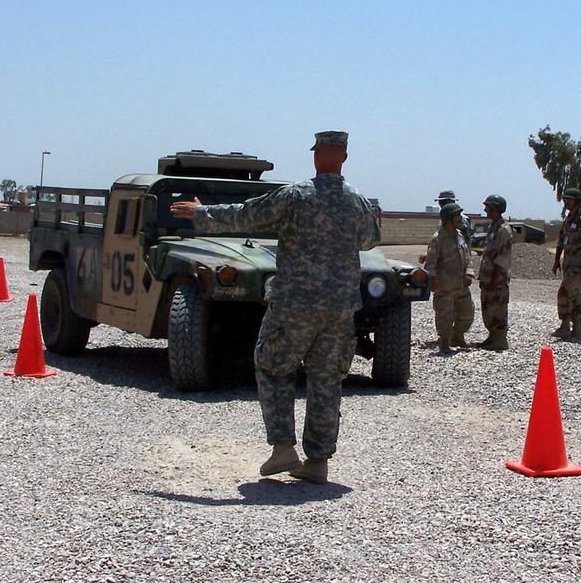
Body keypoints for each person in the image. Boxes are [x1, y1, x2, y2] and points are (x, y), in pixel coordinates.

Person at [170, 131, 380, 484]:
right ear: (344, 157)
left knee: (272, 367)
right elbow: (371, 238)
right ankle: (317, 462)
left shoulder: (296, 196)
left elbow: (246, 216)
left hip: (294, 304)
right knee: (326, 380)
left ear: (317, 156)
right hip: (340, 308)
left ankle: (283, 447)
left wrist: (201, 213)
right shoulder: (357, 201)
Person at [424, 202, 475, 354]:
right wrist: (432, 281)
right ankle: (444, 342)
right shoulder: (438, 239)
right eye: (457, 216)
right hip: (445, 286)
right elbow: (430, 263)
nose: (460, 218)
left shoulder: (459, 236)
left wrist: (469, 272)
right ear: (448, 219)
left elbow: (466, 256)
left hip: (461, 285)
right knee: (444, 316)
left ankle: (457, 337)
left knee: (467, 313)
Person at [551, 187, 581, 342]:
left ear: (576, 201)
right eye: (565, 199)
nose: (566, 202)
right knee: (575, 296)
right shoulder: (568, 220)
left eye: (569, 200)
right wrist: (556, 260)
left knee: (564, 292)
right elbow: (560, 241)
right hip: (568, 264)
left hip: (579, 265)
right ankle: (576, 331)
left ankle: (565, 326)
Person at [477, 194, 514, 351]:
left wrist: (493, 279)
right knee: (488, 308)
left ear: (496, 209)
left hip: (497, 279)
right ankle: (492, 336)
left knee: (497, 308)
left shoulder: (503, 230)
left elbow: (502, 258)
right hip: (488, 277)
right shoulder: (493, 227)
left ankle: (500, 340)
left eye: (488, 207)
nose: (485, 210)